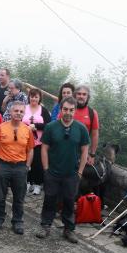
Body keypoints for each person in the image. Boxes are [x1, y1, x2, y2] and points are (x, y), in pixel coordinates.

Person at [36, 96, 89, 243]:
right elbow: (44, 148)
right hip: (52, 172)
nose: (68, 112)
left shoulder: (81, 129)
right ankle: (45, 225)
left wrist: (80, 172)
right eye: (65, 109)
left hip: (71, 174)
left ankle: (68, 229)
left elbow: (85, 151)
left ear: (75, 111)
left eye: (71, 110)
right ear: (61, 109)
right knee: (49, 199)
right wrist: (46, 169)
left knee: (69, 201)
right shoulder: (51, 127)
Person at [0, 102, 35, 234]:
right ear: (10, 111)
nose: (18, 113)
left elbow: (31, 150)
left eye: (21, 111)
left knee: (19, 197)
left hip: (20, 166)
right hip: (3, 165)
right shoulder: (1, 128)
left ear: (24, 114)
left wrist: (27, 166)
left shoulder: (27, 130)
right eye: (16, 111)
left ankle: (17, 221)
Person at [22, 87, 51, 195]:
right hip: (25, 141)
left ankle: (38, 184)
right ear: (29, 97)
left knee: (38, 164)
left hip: (39, 142)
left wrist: (36, 126)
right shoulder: (24, 108)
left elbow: (48, 125)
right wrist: (26, 127)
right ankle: (29, 182)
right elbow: (19, 121)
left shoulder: (43, 110)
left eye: (36, 97)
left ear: (39, 98)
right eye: (32, 96)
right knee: (27, 162)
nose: (33, 98)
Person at [73, 85, 99, 165]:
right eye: (79, 94)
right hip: (64, 149)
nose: (81, 96)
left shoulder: (92, 113)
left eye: (84, 94)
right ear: (75, 95)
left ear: (88, 97)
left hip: (82, 152)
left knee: (78, 176)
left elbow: (95, 135)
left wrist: (92, 154)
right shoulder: (67, 109)